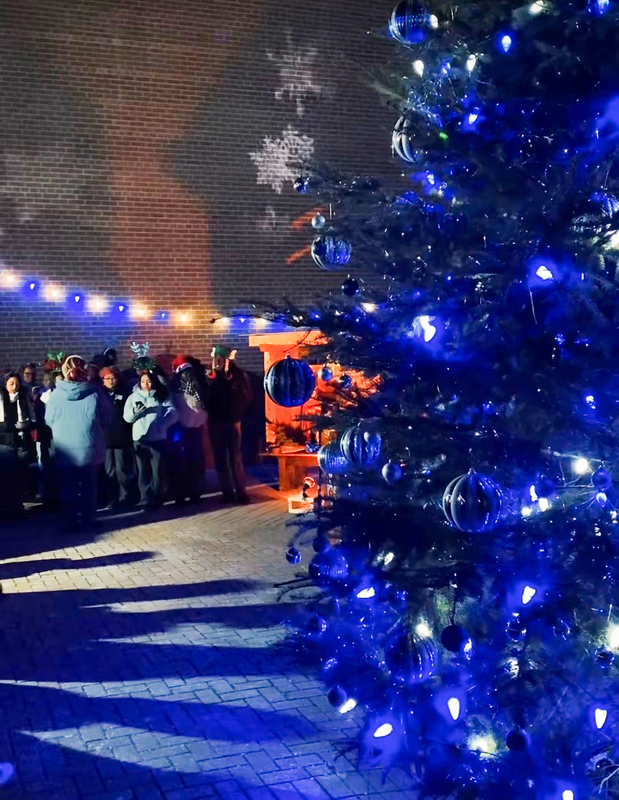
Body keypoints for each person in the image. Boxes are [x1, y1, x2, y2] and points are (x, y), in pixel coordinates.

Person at [45, 355, 111, 529]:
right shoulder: (95, 392)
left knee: (68, 488)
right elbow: (107, 417)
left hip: (65, 449)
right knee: (90, 487)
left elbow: (48, 419)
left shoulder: (56, 395)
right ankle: (88, 520)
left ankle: (70, 520)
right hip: (89, 447)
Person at [123, 370, 178, 510]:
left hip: (158, 438)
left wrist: (162, 425)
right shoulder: (133, 397)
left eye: (148, 381)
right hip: (140, 439)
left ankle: (157, 497)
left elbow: (172, 412)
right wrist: (136, 412)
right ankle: (145, 498)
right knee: (143, 470)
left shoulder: (161, 395)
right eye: (143, 382)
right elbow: (127, 418)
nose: (146, 384)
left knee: (157, 470)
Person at [205, 345, 252, 504]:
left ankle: (241, 492)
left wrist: (235, 411)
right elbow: (206, 398)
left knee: (235, 458)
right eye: (216, 358)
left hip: (232, 421)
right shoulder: (210, 376)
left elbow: (246, 397)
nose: (218, 361)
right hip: (216, 422)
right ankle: (226, 492)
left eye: (221, 358)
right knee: (220, 458)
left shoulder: (238, 376)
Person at [171, 355, 207, 504]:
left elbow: (201, 407)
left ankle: (195, 492)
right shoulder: (175, 390)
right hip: (181, 429)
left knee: (195, 462)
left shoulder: (199, 388)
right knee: (181, 463)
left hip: (196, 429)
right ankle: (180, 494)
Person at [0, 373, 36, 516]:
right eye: (11, 384)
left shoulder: (23, 398)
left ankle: (19, 503)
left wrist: (27, 425)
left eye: (16, 384)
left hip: (22, 440)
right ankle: (8, 505)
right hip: (5, 442)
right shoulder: (1, 400)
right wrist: (10, 426)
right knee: (7, 474)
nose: (14, 387)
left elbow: (32, 416)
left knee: (20, 472)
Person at [100, 366, 135, 508]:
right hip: (106, 438)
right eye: (107, 378)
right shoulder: (100, 394)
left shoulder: (125, 393)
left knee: (122, 469)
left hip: (121, 436)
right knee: (109, 470)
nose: (110, 381)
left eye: (113, 378)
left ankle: (125, 496)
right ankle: (111, 497)